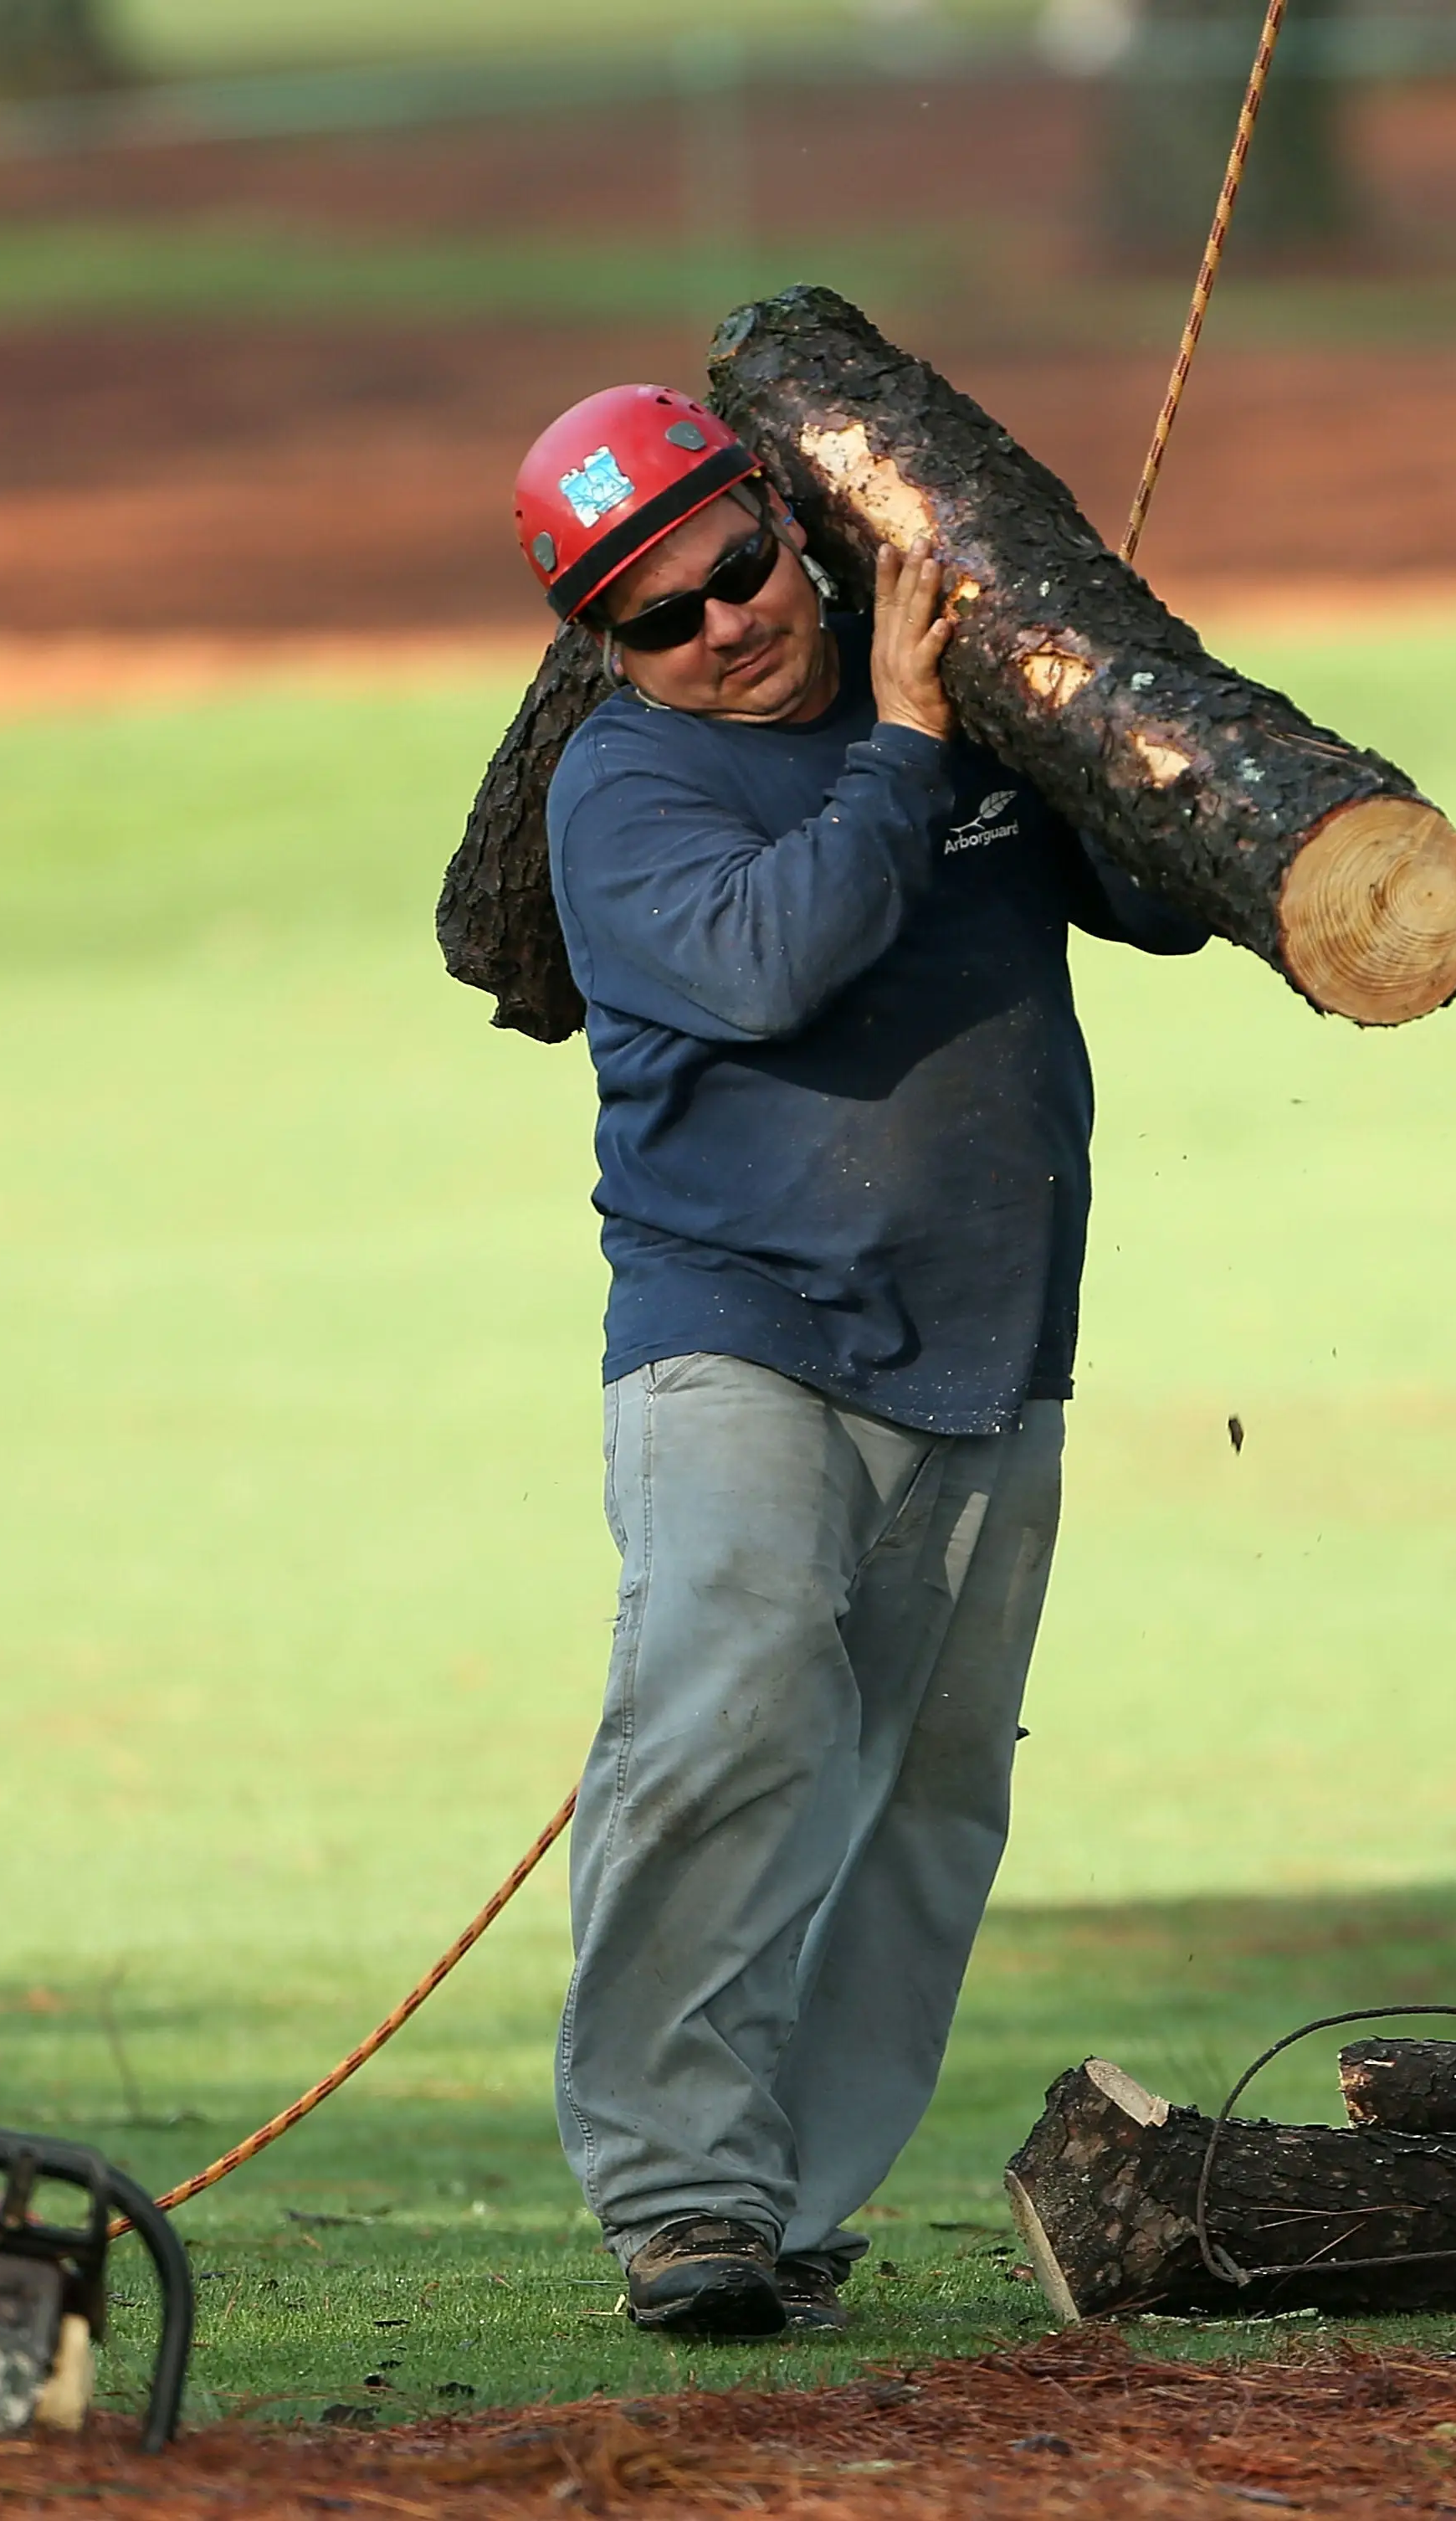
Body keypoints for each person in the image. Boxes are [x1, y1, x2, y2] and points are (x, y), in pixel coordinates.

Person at [517, 384, 1207, 2339]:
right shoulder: (628, 791)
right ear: (607, 652)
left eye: (737, 568)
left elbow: (1161, 902)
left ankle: (785, 2215)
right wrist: (911, 745)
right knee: (726, 1718)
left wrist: (1085, 697)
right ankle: (677, 2199)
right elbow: (765, 961)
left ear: (783, 519)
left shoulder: (954, 698)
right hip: (740, 1341)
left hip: (995, 1339)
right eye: (661, 617)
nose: (724, 624)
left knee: (921, 1798)